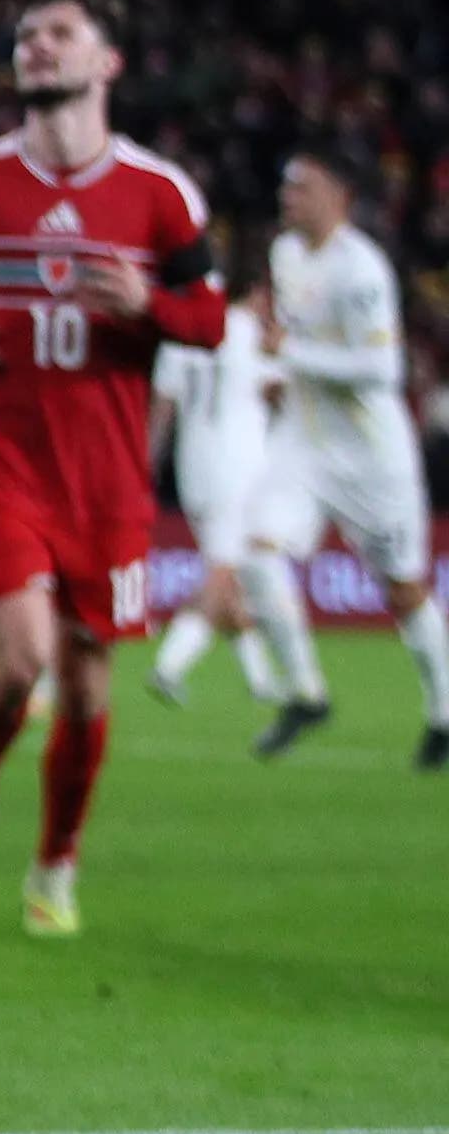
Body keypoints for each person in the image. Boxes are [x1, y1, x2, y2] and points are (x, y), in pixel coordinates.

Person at [0, 0, 222, 937]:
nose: (38, 49)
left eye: (60, 35)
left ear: (107, 63)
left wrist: (148, 307)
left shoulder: (159, 192)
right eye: (27, 38)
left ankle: (54, 868)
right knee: (20, 666)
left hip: (110, 479)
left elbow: (210, 320)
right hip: (6, 461)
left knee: (88, 689)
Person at [239, 150, 449, 768]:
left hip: (370, 457)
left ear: (340, 197)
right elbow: (295, 346)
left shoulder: (362, 271)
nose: (289, 199)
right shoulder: (285, 255)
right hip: (304, 444)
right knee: (256, 551)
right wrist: (278, 373)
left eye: (302, 188)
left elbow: (382, 371)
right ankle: (307, 692)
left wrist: (291, 355)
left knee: (403, 588)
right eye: (287, 187)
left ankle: (443, 711)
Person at [142, 285, 286, 711]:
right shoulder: (246, 332)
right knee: (224, 574)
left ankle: (261, 680)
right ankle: (169, 667)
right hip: (238, 468)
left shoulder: (179, 335)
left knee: (229, 576)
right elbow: (277, 393)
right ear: (257, 299)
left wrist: (146, 466)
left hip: (195, 471)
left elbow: (162, 411)